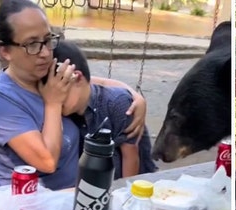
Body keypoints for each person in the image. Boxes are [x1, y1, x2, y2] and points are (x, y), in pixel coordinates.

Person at [0, 0, 148, 190]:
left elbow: (90, 82)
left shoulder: (45, 73)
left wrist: (135, 98)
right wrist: (53, 104)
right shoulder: (0, 100)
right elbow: (47, 162)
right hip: (32, 207)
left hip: (75, 198)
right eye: (32, 44)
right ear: (5, 50)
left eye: (48, 40)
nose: (45, 53)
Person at [52, 40, 157, 179]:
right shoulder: (64, 109)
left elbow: (131, 157)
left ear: (77, 78)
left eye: (60, 90)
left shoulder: (117, 104)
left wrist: (122, 192)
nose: (53, 97)